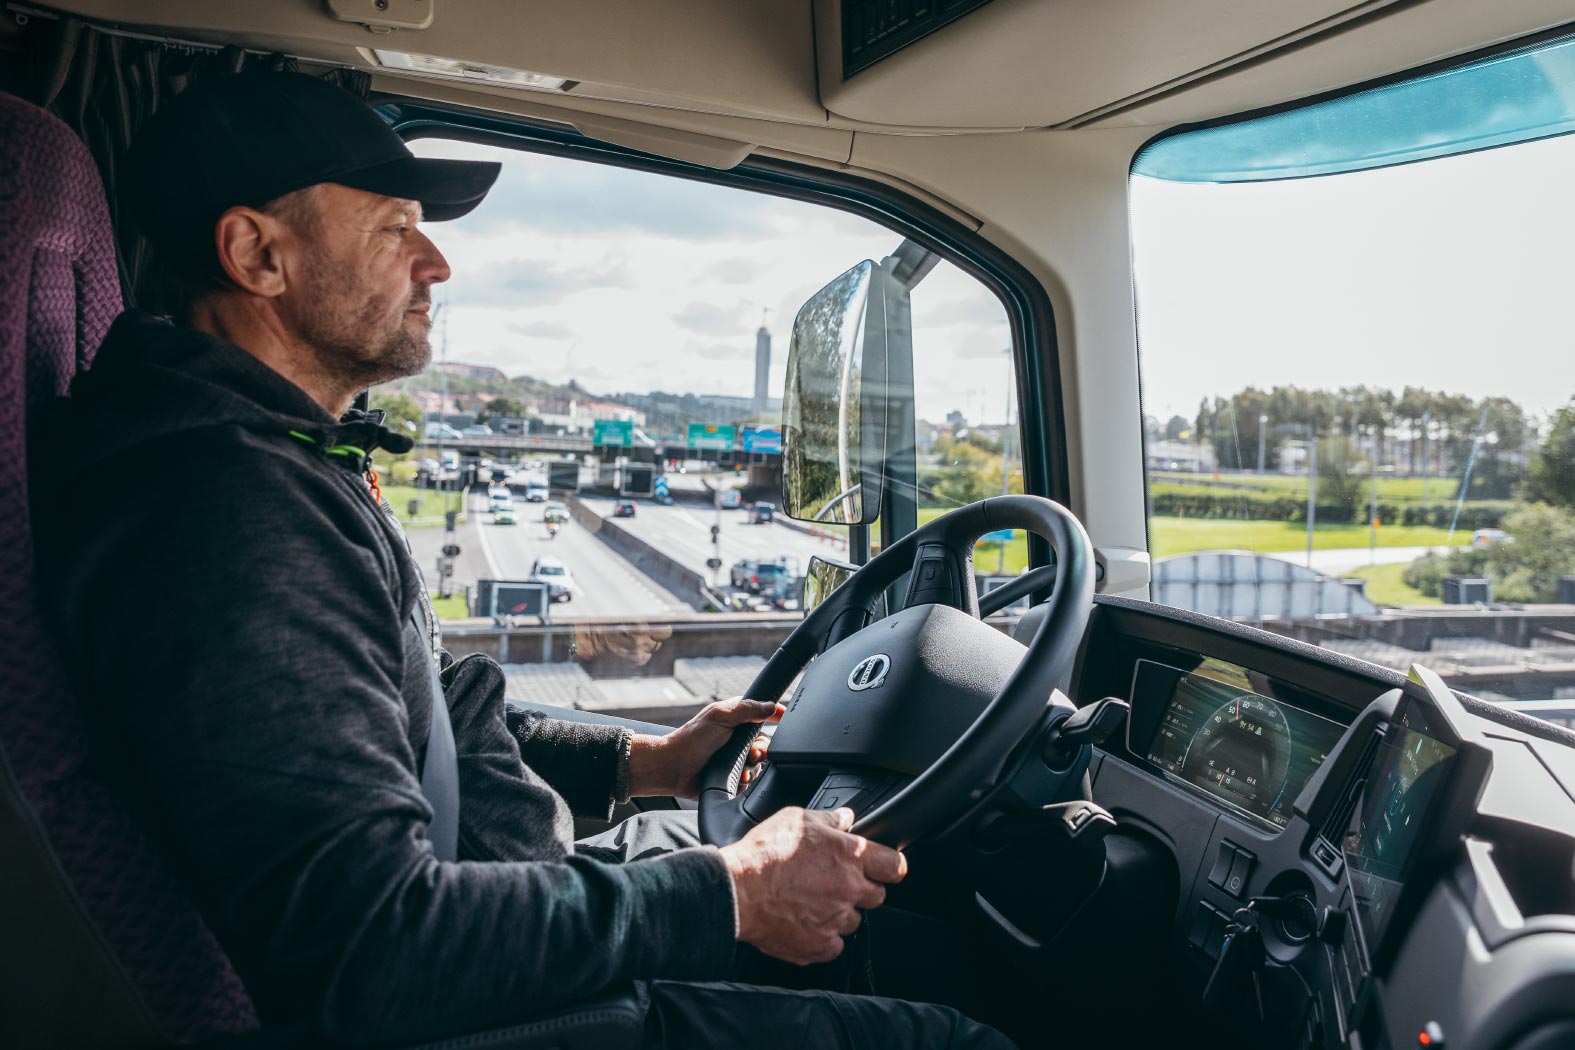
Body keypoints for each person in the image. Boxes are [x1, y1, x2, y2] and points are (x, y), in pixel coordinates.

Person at [30, 72, 1014, 1048]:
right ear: (257, 254)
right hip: (490, 1004)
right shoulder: (227, 514)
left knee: (910, 941)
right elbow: (374, 947)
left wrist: (642, 761)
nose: (435, 262)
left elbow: (427, 714)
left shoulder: (275, 452)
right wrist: (734, 892)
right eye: (392, 228)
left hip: (500, 903)